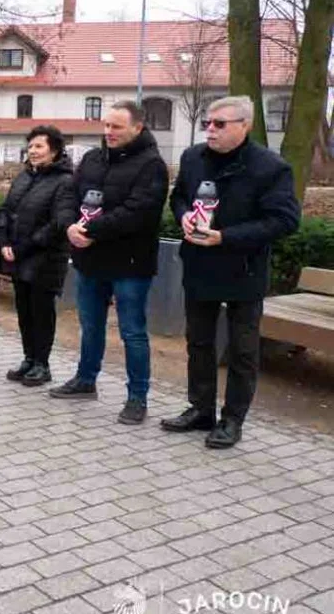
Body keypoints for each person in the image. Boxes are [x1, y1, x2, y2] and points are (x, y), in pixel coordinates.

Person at [162, 95, 299, 448]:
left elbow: (284, 220)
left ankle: (232, 419)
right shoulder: (193, 158)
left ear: (244, 126)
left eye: (219, 124)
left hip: (244, 270)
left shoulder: (271, 167)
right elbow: (177, 197)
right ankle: (201, 409)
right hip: (200, 265)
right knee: (199, 342)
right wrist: (184, 217)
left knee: (241, 350)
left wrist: (225, 237)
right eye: (207, 122)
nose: (210, 129)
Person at [49, 100, 169, 424]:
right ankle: (86, 380)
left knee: (132, 332)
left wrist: (90, 230)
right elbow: (68, 197)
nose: (109, 132)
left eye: (116, 127)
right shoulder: (91, 159)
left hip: (130, 263)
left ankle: (137, 397)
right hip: (90, 259)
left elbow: (138, 212)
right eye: (106, 125)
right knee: (90, 325)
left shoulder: (151, 165)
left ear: (137, 128)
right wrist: (68, 226)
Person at [0, 125, 77, 387]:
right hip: (19, 257)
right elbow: (6, 210)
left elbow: (58, 223)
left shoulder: (65, 181)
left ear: (54, 151)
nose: (33, 151)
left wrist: (23, 247)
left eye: (39, 146)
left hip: (46, 259)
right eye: (30, 146)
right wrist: (4, 240)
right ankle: (29, 359)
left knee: (42, 313)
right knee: (24, 311)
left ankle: (42, 364)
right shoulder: (23, 177)